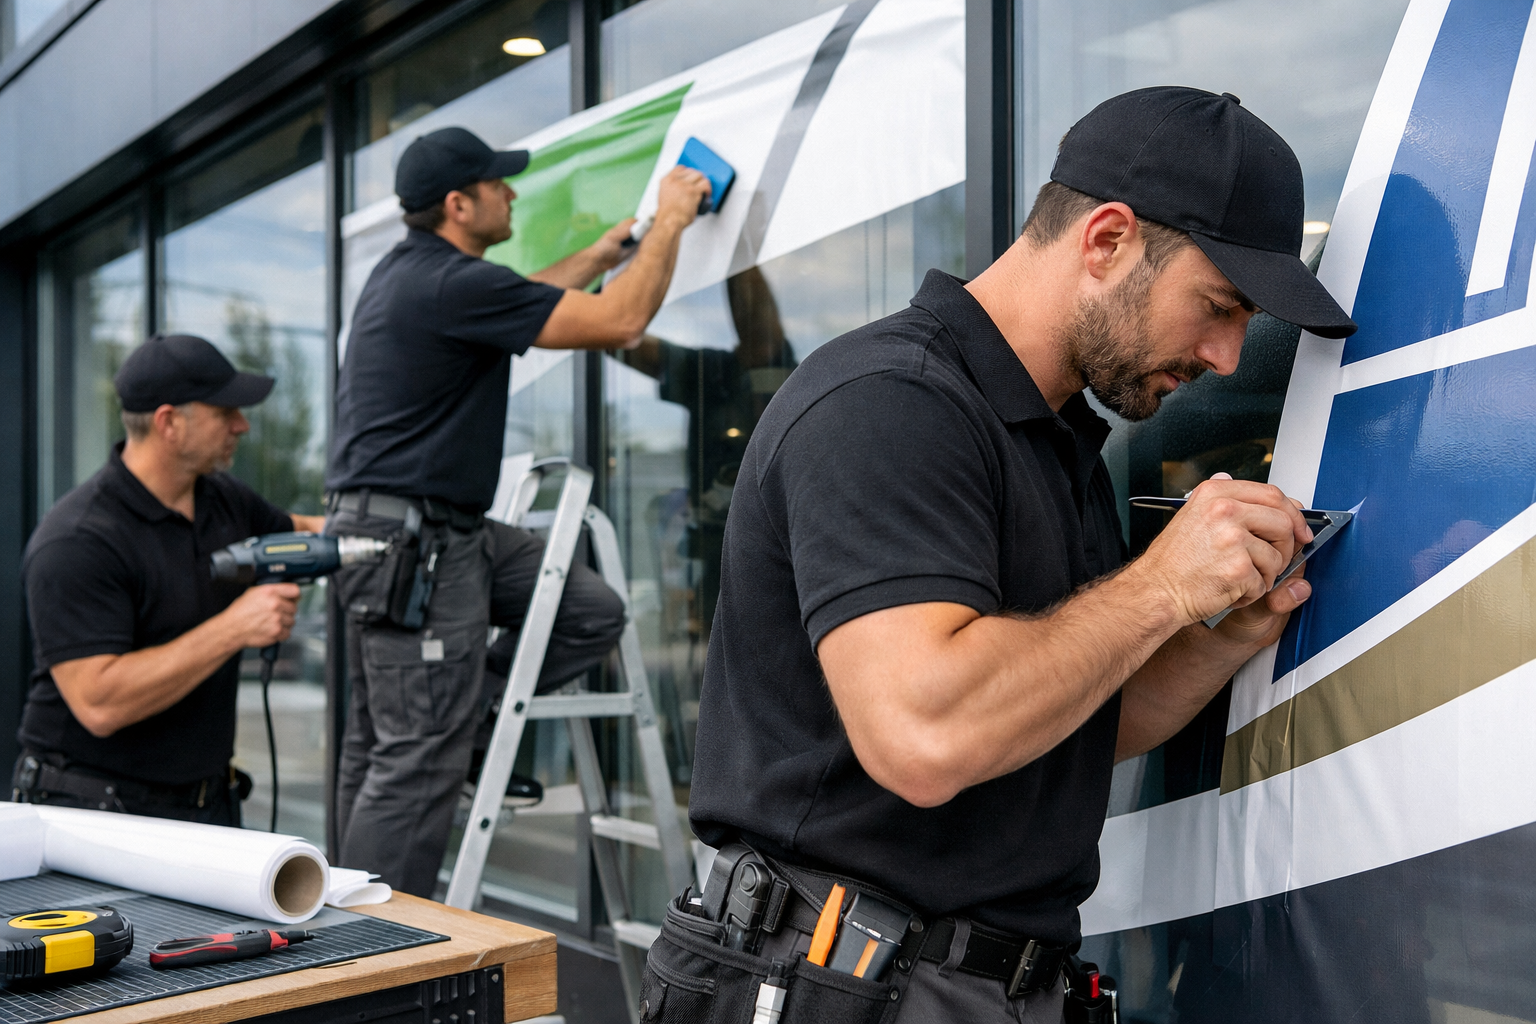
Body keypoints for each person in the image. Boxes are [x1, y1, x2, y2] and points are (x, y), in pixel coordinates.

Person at [674, 87, 1359, 1021]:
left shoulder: (1059, 441)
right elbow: (928, 735)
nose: (1232, 358)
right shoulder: (890, 404)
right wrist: (1159, 585)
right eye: (1219, 304)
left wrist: (1228, 630)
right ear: (1107, 240)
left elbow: (1075, 722)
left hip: (975, 988)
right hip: (835, 982)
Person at [326, 126, 712, 897]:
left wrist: (601, 258)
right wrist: (669, 219)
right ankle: (368, 957)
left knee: (589, 609)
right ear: (458, 203)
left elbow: (527, 296)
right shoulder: (448, 284)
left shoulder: (419, 275)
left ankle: (465, 711)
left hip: (432, 534)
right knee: (411, 763)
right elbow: (619, 323)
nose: (511, 193)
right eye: (497, 185)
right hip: (416, 549)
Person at [11, 333, 325, 825]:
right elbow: (99, 702)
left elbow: (302, 532)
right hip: (92, 809)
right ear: (169, 422)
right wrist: (236, 627)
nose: (241, 426)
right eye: (225, 413)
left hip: (207, 803)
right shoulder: (77, 539)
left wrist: (378, 532)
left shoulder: (223, 499)